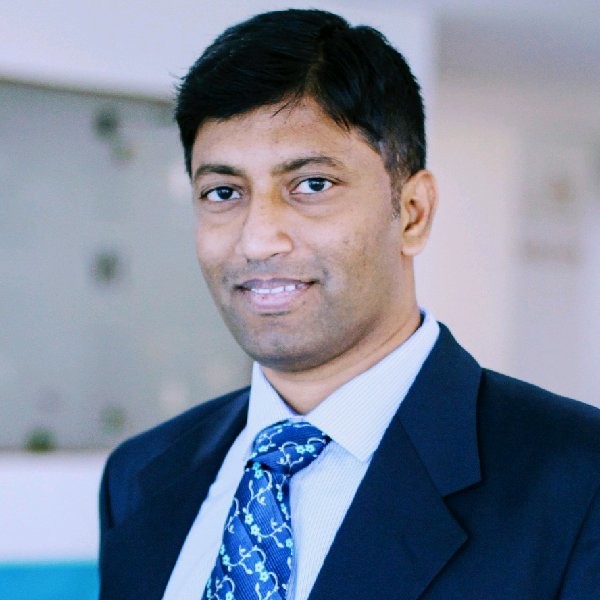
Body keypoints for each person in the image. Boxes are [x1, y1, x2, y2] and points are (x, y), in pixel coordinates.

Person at [98, 9, 600, 599]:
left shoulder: (577, 480)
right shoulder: (141, 476)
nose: (257, 240)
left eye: (312, 184)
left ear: (412, 212)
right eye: (223, 192)